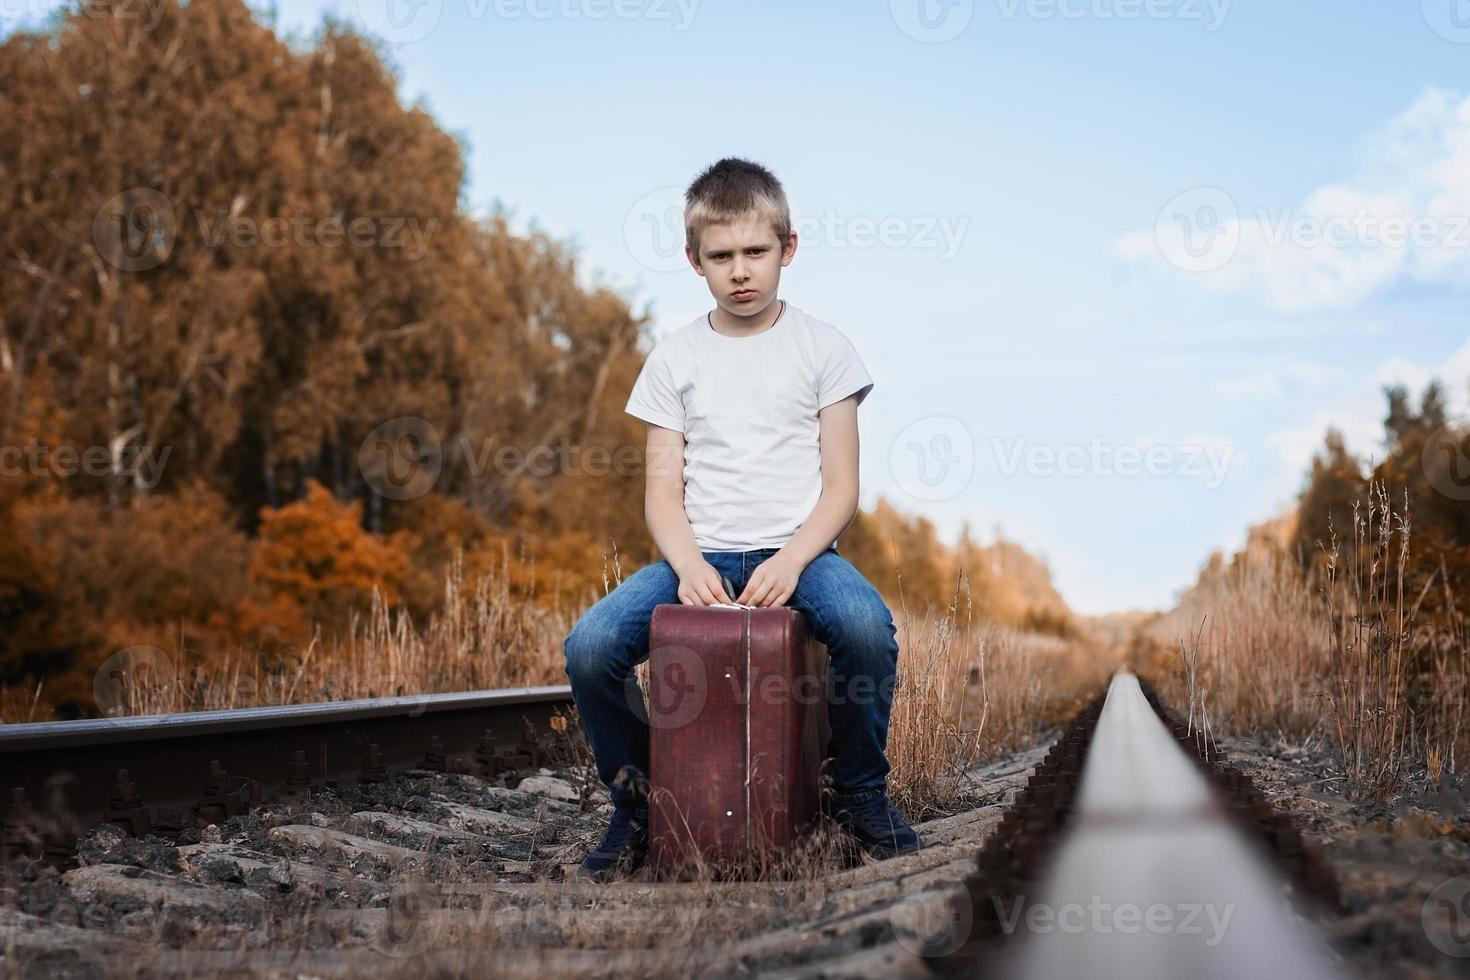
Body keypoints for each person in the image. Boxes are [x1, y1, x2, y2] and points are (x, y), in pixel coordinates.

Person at [563, 157, 920, 881]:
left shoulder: (826, 349)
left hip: (802, 553)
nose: (741, 271)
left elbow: (842, 487)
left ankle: (858, 792)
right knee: (590, 646)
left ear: (788, 248)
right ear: (694, 261)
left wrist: (790, 561)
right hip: (699, 554)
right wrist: (689, 566)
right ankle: (638, 802)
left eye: (756, 252)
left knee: (862, 627)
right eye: (721, 257)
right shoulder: (674, 357)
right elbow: (662, 493)